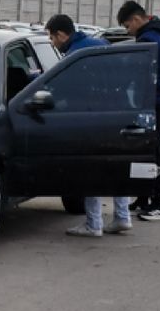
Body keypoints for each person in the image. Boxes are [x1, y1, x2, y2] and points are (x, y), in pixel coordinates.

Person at [45, 14, 132, 238]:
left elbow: (69, 90)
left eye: (52, 37)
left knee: (91, 170)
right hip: (118, 113)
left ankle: (94, 224)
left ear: (62, 34)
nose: (52, 43)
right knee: (116, 166)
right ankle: (122, 216)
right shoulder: (100, 43)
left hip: (92, 118)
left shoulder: (75, 55)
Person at [117, 0, 160, 222]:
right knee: (144, 150)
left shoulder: (149, 40)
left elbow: (135, 72)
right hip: (155, 101)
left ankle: (157, 203)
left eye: (127, 26)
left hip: (155, 103)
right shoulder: (159, 33)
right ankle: (143, 198)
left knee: (151, 152)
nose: (128, 30)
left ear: (136, 19)